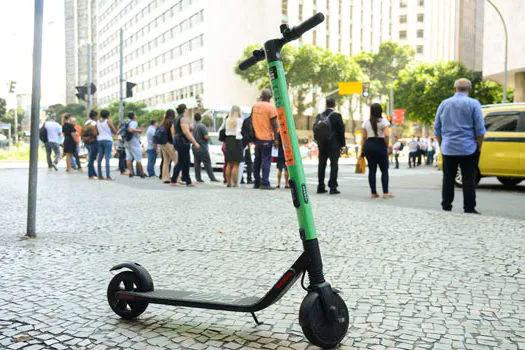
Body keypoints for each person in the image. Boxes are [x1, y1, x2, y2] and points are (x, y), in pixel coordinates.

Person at [434, 78, 486, 214]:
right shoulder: (474, 104)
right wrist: (479, 146)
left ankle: (446, 206)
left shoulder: (444, 104)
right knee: (469, 179)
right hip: (468, 148)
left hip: (448, 147)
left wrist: (441, 144)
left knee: (448, 179)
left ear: (454, 89)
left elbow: (437, 128)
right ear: (469, 89)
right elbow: (480, 129)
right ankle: (469, 208)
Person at [361, 103, 394, 199]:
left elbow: (363, 137)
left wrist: (363, 149)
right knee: (384, 170)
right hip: (380, 145)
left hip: (369, 145)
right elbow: (387, 135)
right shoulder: (384, 121)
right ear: (380, 111)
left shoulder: (366, 122)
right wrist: (387, 145)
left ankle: (373, 193)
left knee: (372, 170)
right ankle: (385, 192)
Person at [315, 97, 345, 195]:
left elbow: (316, 129)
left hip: (322, 144)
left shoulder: (320, 115)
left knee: (321, 165)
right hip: (334, 145)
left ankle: (320, 186)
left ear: (326, 104)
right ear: (334, 105)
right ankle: (332, 187)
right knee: (334, 165)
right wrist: (342, 145)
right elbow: (341, 131)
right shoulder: (336, 116)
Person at [251, 90, 279, 190]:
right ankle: (265, 182)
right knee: (266, 160)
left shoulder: (255, 106)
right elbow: (274, 124)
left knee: (257, 160)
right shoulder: (270, 107)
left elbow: (251, 121)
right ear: (269, 98)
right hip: (267, 138)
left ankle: (256, 182)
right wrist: (276, 139)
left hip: (257, 138)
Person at [171, 104, 200, 186]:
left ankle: (186, 180)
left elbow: (173, 131)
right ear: (185, 110)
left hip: (178, 140)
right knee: (182, 161)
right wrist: (195, 142)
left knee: (186, 160)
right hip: (182, 141)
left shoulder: (176, 118)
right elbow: (186, 132)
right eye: (186, 109)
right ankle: (174, 180)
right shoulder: (183, 119)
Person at [221, 105, 244, 187]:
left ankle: (228, 182)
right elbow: (241, 131)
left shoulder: (227, 120)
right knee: (236, 164)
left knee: (229, 163)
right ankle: (235, 183)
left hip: (228, 141)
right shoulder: (239, 120)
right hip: (237, 141)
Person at [192, 113, 218, 183]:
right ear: (201, 118)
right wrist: (209, 138)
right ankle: (212, 178)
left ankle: (198, 178)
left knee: (197, 163)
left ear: (194, 118)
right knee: (207, 163)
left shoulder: (193, 126)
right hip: (202, 147)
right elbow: (205, 136)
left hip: (194, 146)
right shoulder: (202, 126)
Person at [158, 109, 178, 184]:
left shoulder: (163, 123)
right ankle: (177, 178)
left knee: (166, 161)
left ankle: (165, 178)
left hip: (162, 144)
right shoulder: (171, 122)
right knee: (176, 161)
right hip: (169, 143)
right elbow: (173, 133)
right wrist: (175, 143)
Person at [96, 109, 117, 180]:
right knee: (107, 158)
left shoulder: (98, 122)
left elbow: (97, 132)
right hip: (108, 140)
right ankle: (108, 176)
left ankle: (100, 175)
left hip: (100, 140)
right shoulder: (108, 121)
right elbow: (114, 131)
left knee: (99, 158)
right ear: (108, 115)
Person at [125, 112, 146, 178]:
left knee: (128, 158)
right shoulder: (134, 122)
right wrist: (138, 130)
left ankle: (130, 173)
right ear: (133, 116)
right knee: (138, 158)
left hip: (127, 142)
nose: (136, 116)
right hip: (133, 142)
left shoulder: (127, 122)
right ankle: (142, 173)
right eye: (135, 115)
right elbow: (131, 130)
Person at [83, 110, 99, 179]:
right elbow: (96, 133)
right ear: (95, 116)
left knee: (90, 157)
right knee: (92, 158)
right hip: (93, 141)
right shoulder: (95, 123)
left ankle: (94, 173)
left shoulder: (87, 122)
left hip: (86, 141)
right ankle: (90, 174)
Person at [241, 111, 254, 184]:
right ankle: (249, 179)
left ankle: (242, 178)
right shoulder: (250, 121)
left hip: (244, 143)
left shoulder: (247, 120)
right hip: (246, 143)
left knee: (244, 161)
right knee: (248, 162)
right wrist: (251, 140)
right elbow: (250, 132)